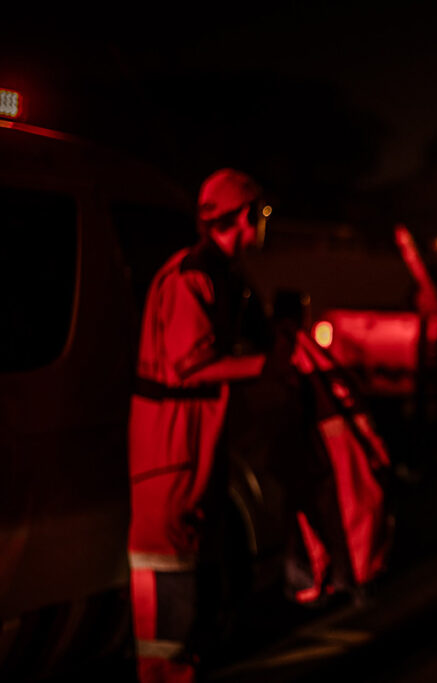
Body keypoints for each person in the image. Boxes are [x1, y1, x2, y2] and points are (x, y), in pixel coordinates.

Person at [127, 168, 271, 682]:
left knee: (195, 579)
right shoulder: (193, 275)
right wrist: (270, 366)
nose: (264, 223)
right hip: (170, 450)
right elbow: (191, 363)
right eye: (261, 213)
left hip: (190, 448)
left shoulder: (219, 273)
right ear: (242, 217)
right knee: (170, 579)